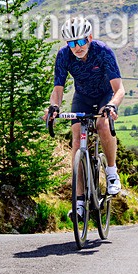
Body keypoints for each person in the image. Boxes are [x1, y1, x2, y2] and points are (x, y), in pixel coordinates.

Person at [45, 16, 125, 221]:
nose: (77, 47)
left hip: (105, 95)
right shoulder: (64, 56)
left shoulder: (103, 51)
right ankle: (79, 202)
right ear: (67, 44)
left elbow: (119, 89)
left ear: (89, 38)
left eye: (81, 41)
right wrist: (54, 106)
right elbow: (58, 89)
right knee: (76, 141)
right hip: (82, 97)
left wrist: (112, 105)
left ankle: (111, 172)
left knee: (102, 124)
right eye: (72, 43)